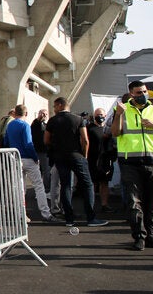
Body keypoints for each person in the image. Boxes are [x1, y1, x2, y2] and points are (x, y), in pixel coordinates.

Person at [111, 81, 153, 251]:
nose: (142, 94)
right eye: (138, 92)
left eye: (144, 91)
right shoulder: (121, 110)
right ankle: (139, 237)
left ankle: (151, 235)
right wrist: (118, 115)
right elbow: (115, 133)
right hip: (130, 162)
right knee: (134, 202)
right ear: (131, 94)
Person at [45, 97, 108, 229]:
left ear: (60, 105)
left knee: (65, 185)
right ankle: (90, 217)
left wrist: (56, 148)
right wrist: (84, 155)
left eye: (55, 106)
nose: (54, 109)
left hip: (60, 156)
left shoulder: (52, 121)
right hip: (76, 155)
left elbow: (46, 140)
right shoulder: (78, 119)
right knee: (87, 184)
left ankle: (69, 218)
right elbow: (85, 139)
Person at [5, 105, 58, 223]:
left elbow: (6, 141)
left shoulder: (10, 125)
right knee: (39, 186)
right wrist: (35, 157)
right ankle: (46, 213)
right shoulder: (25, 125)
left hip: (15, 158)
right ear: (26, 113)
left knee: (19, 188)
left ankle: (21, 215)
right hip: (27, 159)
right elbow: (28, 143)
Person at [86, 108, 114, 212]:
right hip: (92, 160)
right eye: (97, 115)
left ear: (105, 115)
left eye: (101, 114)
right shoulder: (89, 128)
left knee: (104, 183)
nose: (99, 116)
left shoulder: (108, 129)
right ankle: (90, 206)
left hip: (106, 160)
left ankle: (104, 205)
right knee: (92, 183)